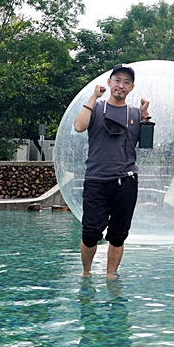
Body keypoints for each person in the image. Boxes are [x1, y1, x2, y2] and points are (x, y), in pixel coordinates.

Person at [73, 64, 150, 279]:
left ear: (131, 87)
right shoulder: (96, 108)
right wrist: (92, 97)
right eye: (117, 80)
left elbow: (146, 145)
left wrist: (145, 116)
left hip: (126, 181)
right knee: (91, 232)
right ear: (109, 83)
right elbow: (78, 127)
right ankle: (86, 273)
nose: (121, 85)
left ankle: (111, 275)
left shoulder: (134, 112)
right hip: (96, 179)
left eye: (126, 82)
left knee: (118, 234)